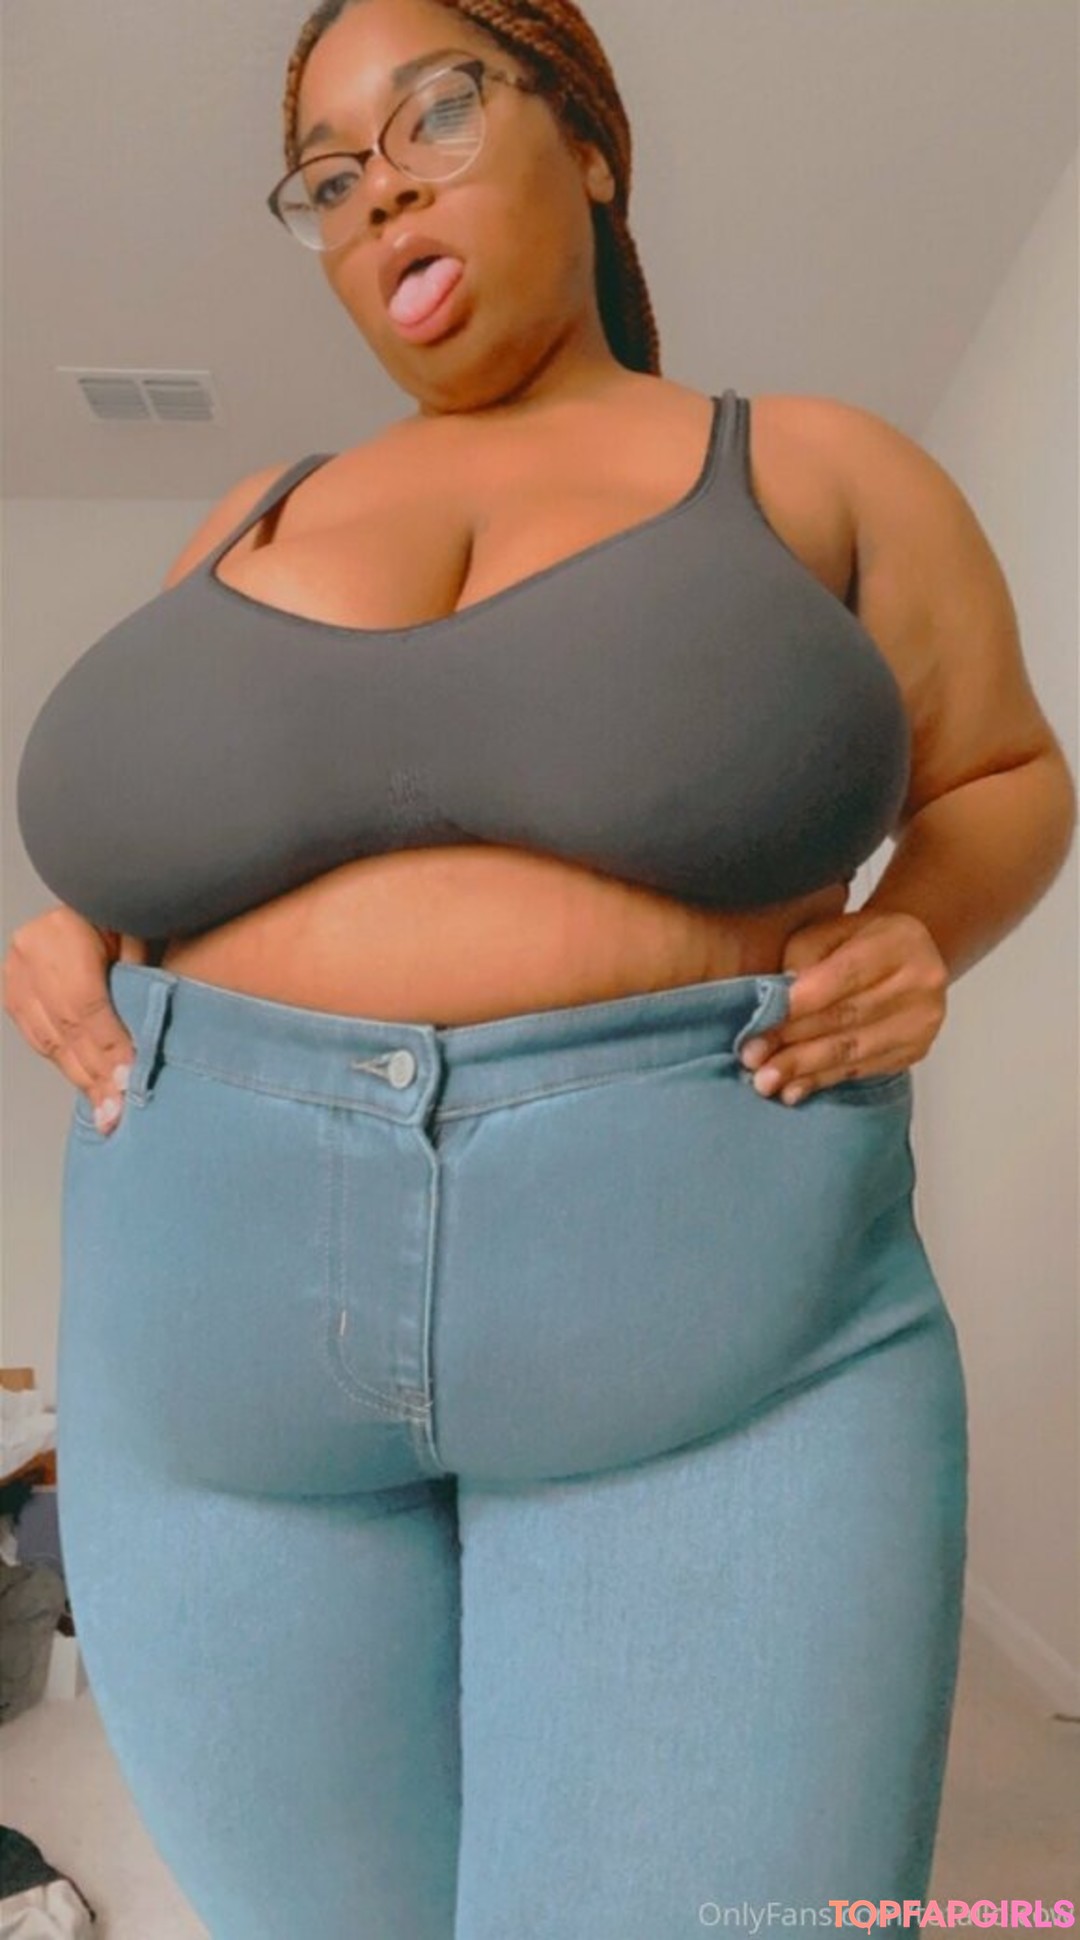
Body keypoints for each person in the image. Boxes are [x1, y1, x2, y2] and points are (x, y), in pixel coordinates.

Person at [6, 1, 1076, 1935]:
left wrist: (923, 922)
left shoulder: (811, 463)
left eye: (434, 113)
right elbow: (167, 812)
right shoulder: (251, 514)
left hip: (712, 1317)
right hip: (205, 1343)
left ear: (588, 141)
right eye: (329, 175)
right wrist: (80, 923)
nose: (379, 191)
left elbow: (1004, 774)